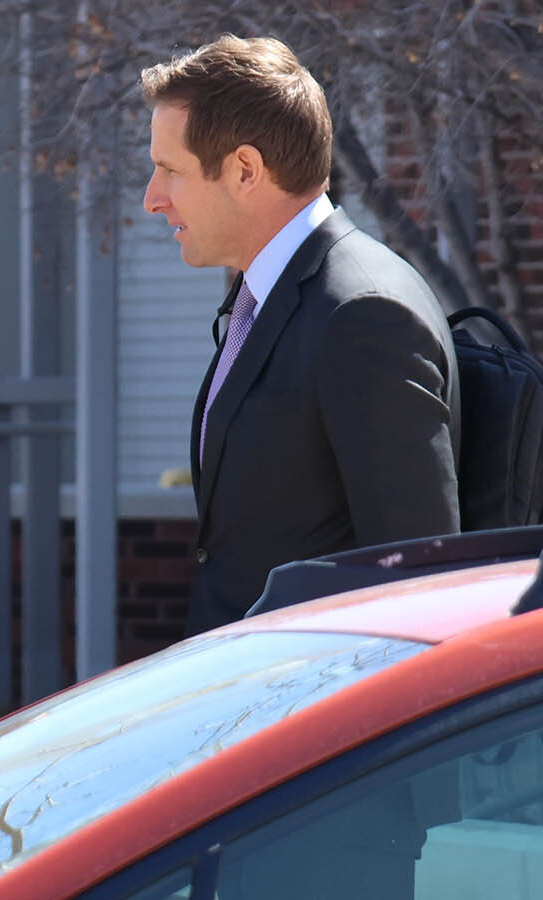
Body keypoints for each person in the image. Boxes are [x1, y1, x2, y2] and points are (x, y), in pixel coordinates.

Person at [141, 35, 460, 634]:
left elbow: (417, 583)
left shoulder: (363, 314)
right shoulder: (270, 295)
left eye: (169, 170)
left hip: (318, 712)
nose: (151, 199)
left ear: (244, 170)